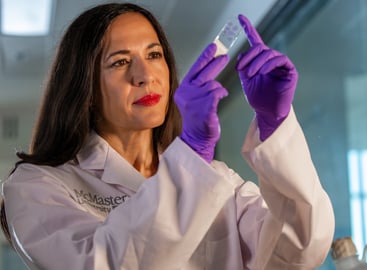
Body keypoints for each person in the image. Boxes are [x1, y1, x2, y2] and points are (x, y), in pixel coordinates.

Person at [0, 2, 334, 270]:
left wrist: (273, 123)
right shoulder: (37, 186)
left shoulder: (217, 181)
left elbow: (296, 254)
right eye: (119, 62)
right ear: (83, 87)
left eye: (154, 55)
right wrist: (190, 154)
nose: (144, 75)